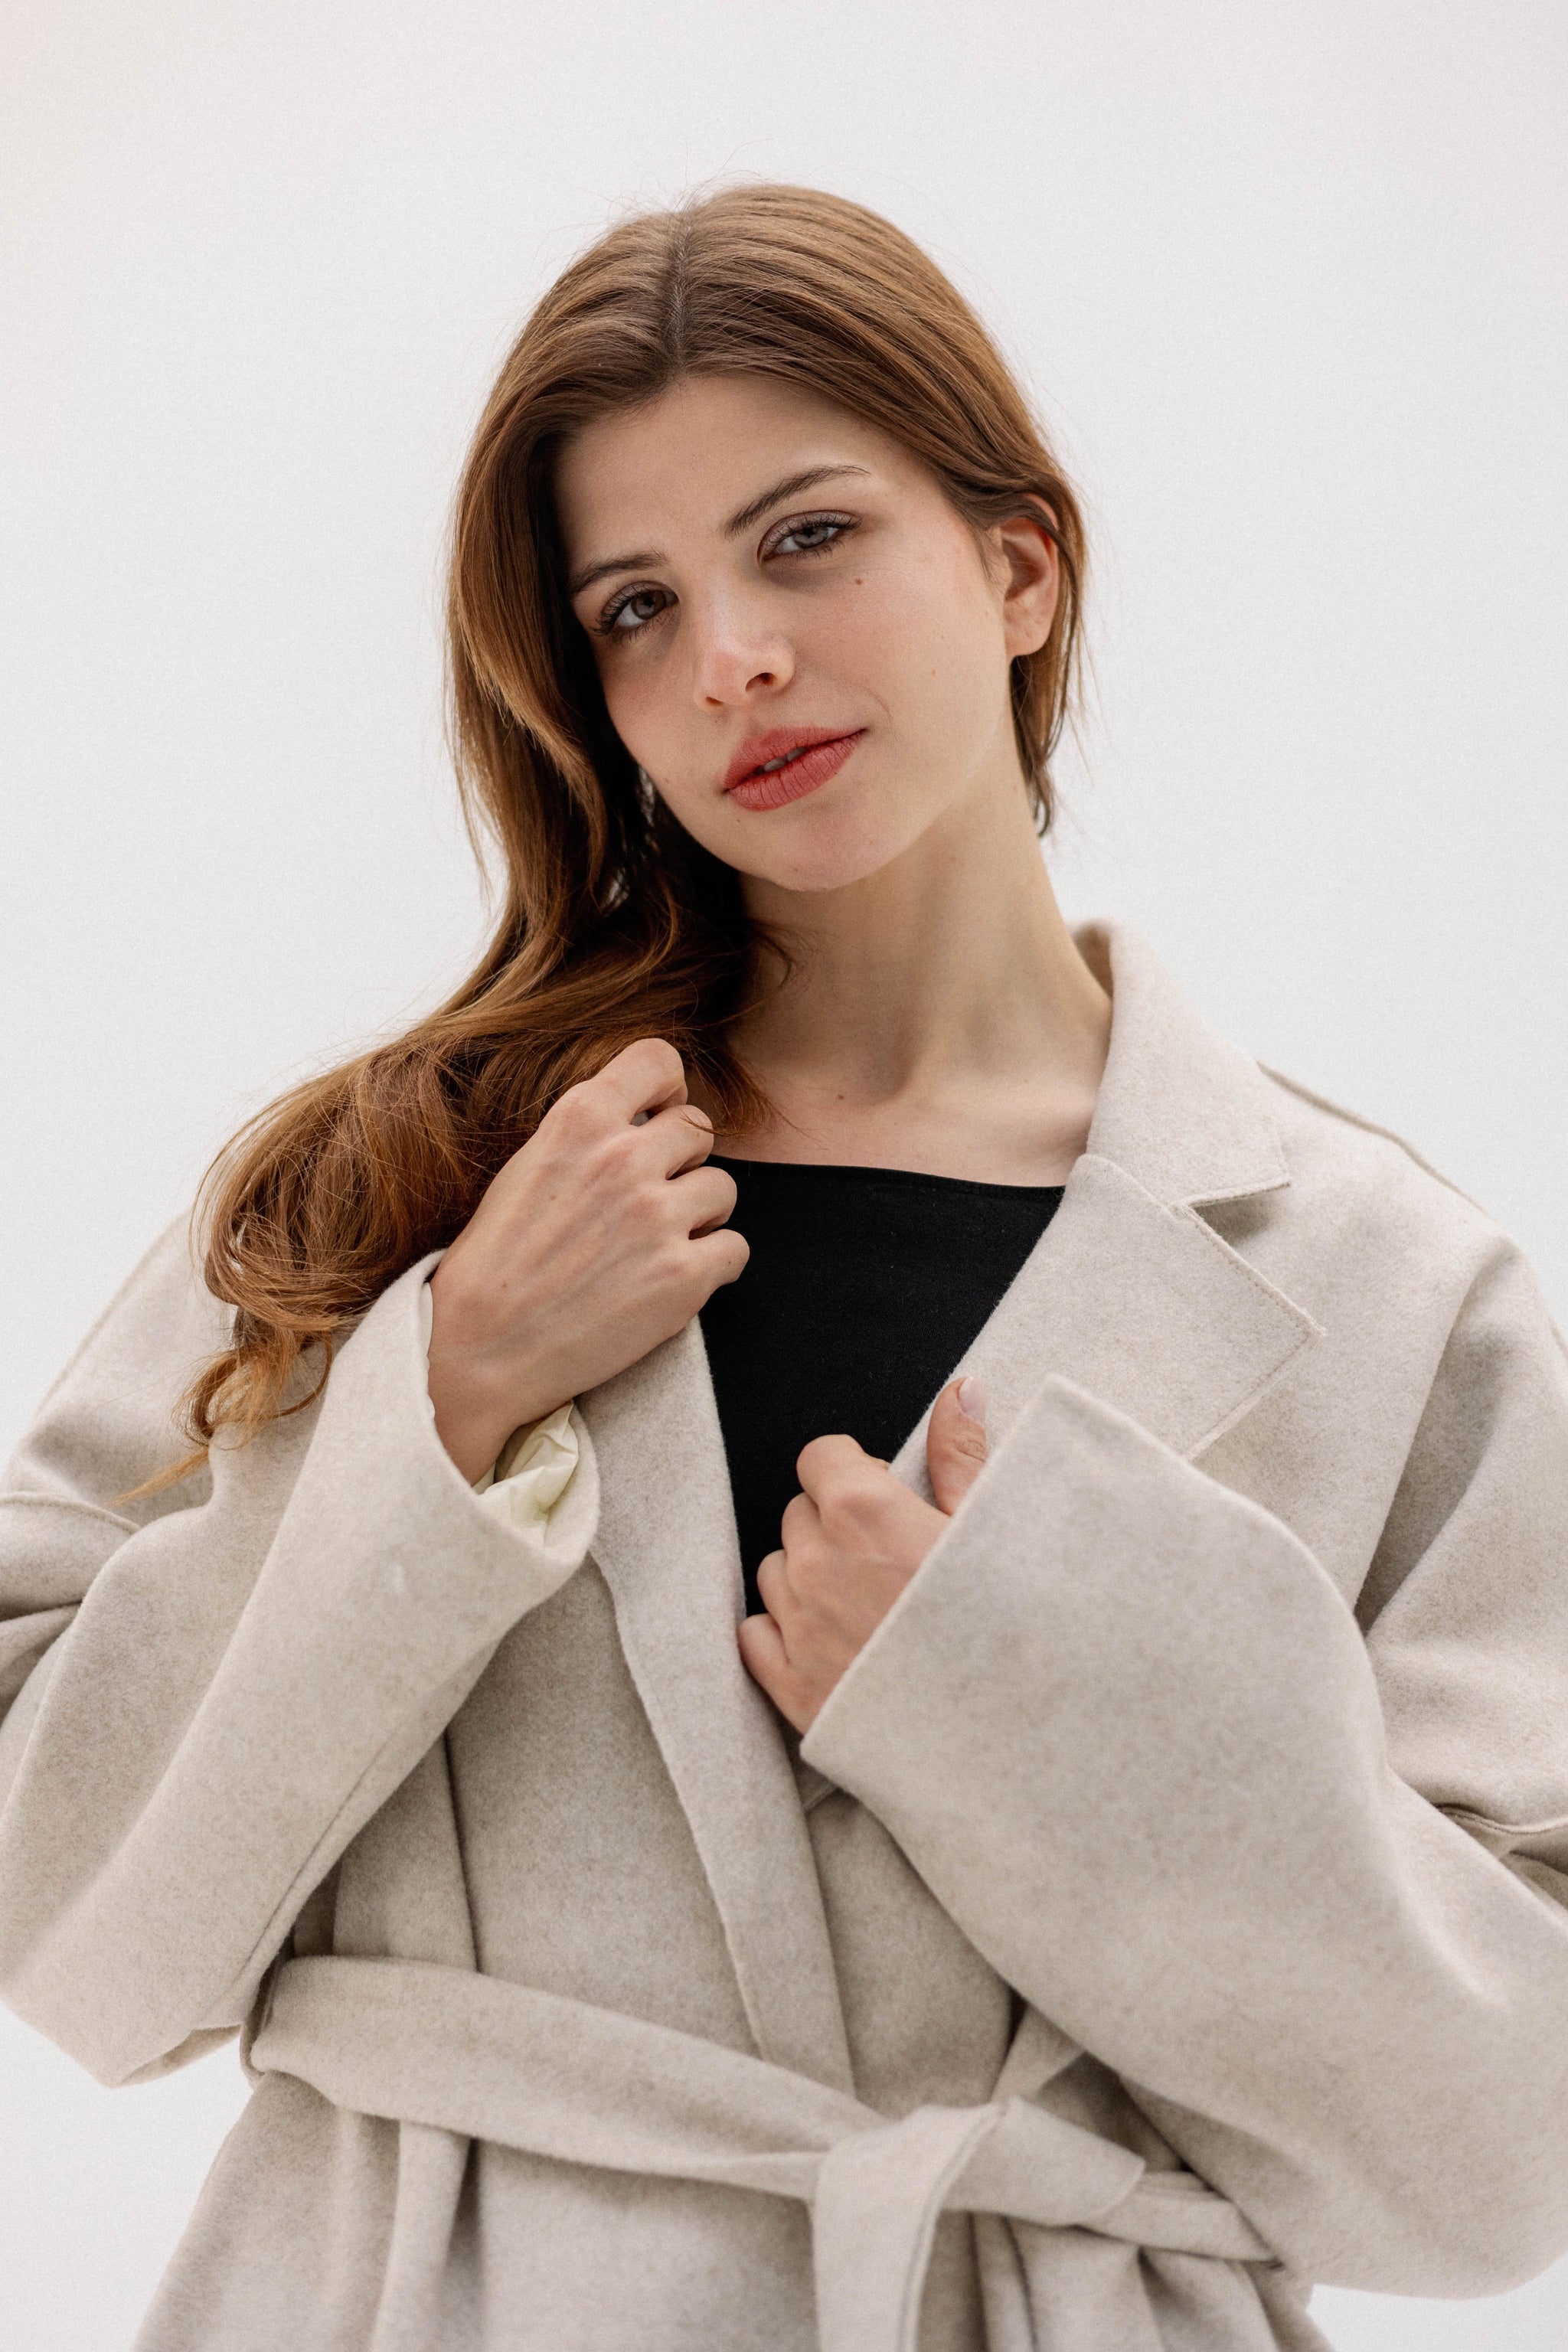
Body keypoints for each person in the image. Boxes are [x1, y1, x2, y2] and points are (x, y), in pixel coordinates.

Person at [2, 183, 1566, 2352]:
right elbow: (57, 1921)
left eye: (807, 537)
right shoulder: (408, 1188)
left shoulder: (1397, 1293)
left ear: (1021, 567)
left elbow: (1501, 2160)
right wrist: (442, 1402)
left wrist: (1032, 1710)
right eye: (636, 608)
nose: (730, 655)